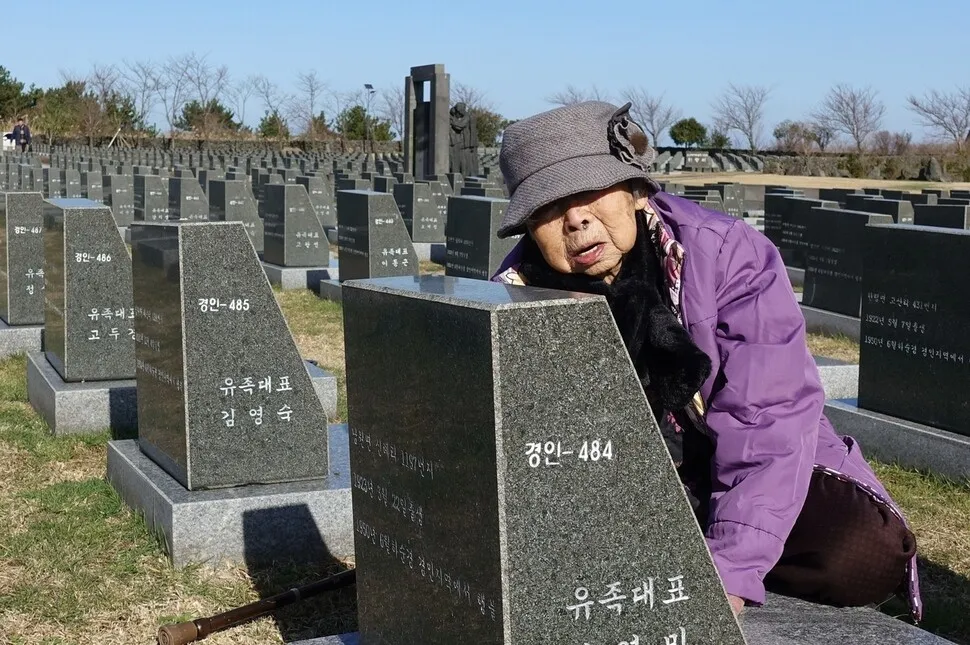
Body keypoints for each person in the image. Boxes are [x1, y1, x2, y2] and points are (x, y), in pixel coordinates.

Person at [490, 101, 921, 621]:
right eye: (548, 208)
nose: (577, 219)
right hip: (620, 479)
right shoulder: (511, 297)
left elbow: (765, 416)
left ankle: (718, 540)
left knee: (861, 554)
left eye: (590, 191)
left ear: (636, 191)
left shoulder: (728, 255)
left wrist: (731, 572)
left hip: (735, 452)